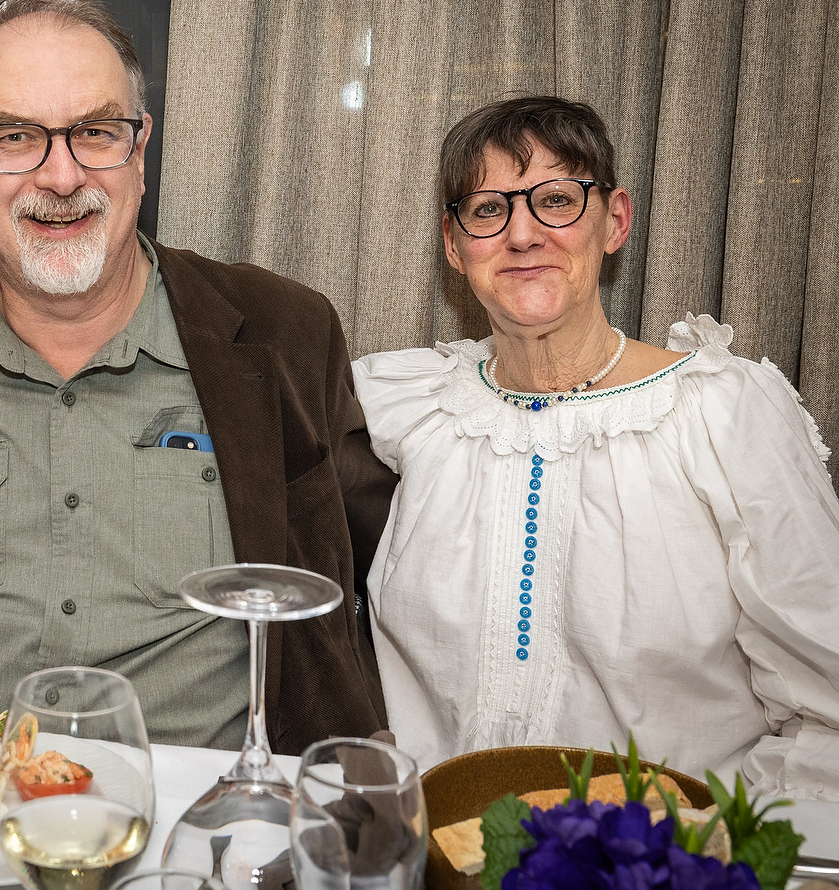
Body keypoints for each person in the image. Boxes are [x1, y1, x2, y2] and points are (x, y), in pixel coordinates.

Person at [0, 0, 396, 754]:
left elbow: (392, 565)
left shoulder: (283, 337)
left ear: (139, 153)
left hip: (212, 829)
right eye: (13, 136)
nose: (62, 176)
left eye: (95, 132)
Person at [353, 96, 839, 798]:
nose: (522, 235)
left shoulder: (724, 416)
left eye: (555, 199)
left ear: (613, 221)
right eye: (488, 210)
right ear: (455, 246)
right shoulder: (408, 402)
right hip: (436, 852)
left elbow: (827, 706)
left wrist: (712, 850)